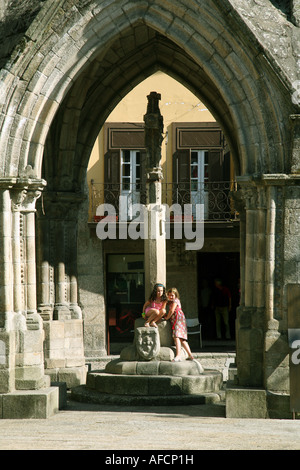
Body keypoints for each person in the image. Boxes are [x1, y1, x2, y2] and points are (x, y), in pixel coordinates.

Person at [164, 287, 194, 361]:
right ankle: (190, 354)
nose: (171, 297)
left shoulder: (175, 301)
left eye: (172, 295)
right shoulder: (171, 301)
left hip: (178, 319)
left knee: (176, 337)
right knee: (182, 339)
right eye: (169, 295)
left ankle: (178, 355)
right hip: (178, 319)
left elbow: (171, 310)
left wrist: (167, 318)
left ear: (176, 296)